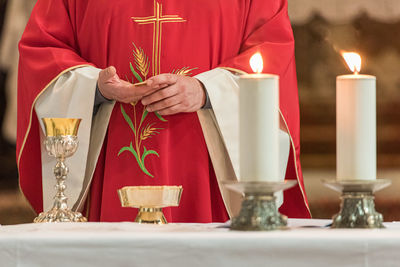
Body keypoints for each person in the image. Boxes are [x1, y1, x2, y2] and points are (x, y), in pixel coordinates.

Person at [17, 0, 310, 222]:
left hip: (207, 171)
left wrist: (206, 91)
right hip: (111, 157)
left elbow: (272, 52)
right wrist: (95, 87)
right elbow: (43, 51)